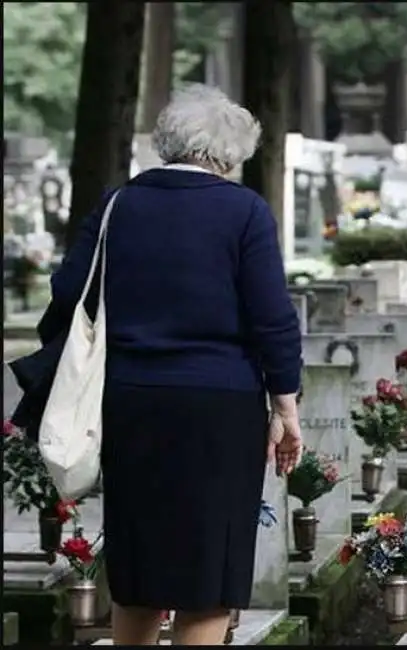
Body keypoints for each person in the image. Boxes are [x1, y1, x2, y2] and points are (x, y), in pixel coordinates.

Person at [37, 84, 303, 646]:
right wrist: (286, 408)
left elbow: (67, 294)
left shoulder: (116, 206)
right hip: (221, 408)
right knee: (208, 575)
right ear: (228, 155)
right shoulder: (244, 212)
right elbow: (272, 318)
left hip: (131, 399)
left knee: (140, 569)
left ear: (168, 143)